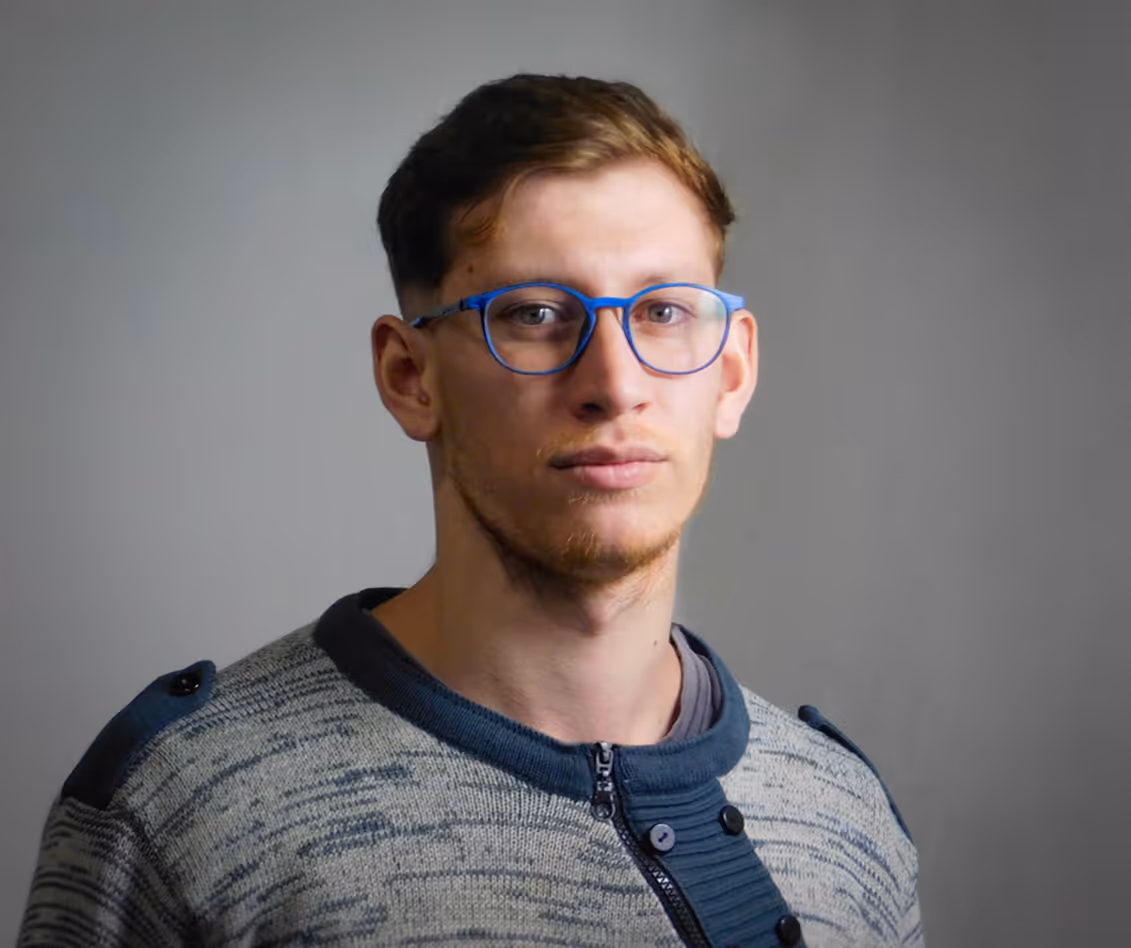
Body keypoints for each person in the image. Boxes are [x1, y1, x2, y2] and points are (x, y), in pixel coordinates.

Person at [19, 74, 923, 948]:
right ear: (409, 378)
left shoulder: (841, 815)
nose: (614, 384)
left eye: (661, 312)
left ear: (731, 373)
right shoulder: (188, 811)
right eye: (533, 313)